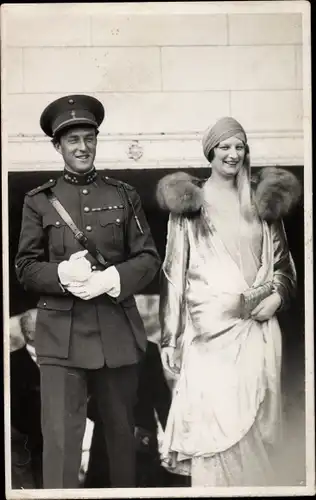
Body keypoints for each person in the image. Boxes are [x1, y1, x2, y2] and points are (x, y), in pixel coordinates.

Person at [15, 94, 161, 489]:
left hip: (115, 331)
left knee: (120, 443)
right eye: (72, 140)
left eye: (89, 138)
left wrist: (108, 279)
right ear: (57, 146)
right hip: (60, 339)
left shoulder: (124, 195)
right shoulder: (39, 201)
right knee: (62, 445)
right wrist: (62, 273)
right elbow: (25, 268)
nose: (82, 147)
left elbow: (148, 258)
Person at [155, 117, 301, 486]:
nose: (233, 154)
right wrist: (171, 338)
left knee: (253, 425)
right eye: (225, 146)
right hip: (207, 338)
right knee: (212, 427)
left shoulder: (262, 201)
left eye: (239, 146)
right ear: (211, 152)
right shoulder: (190, 206)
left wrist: (278, 297)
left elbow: (285, 268)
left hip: (257, 329)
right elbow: (173, 274)